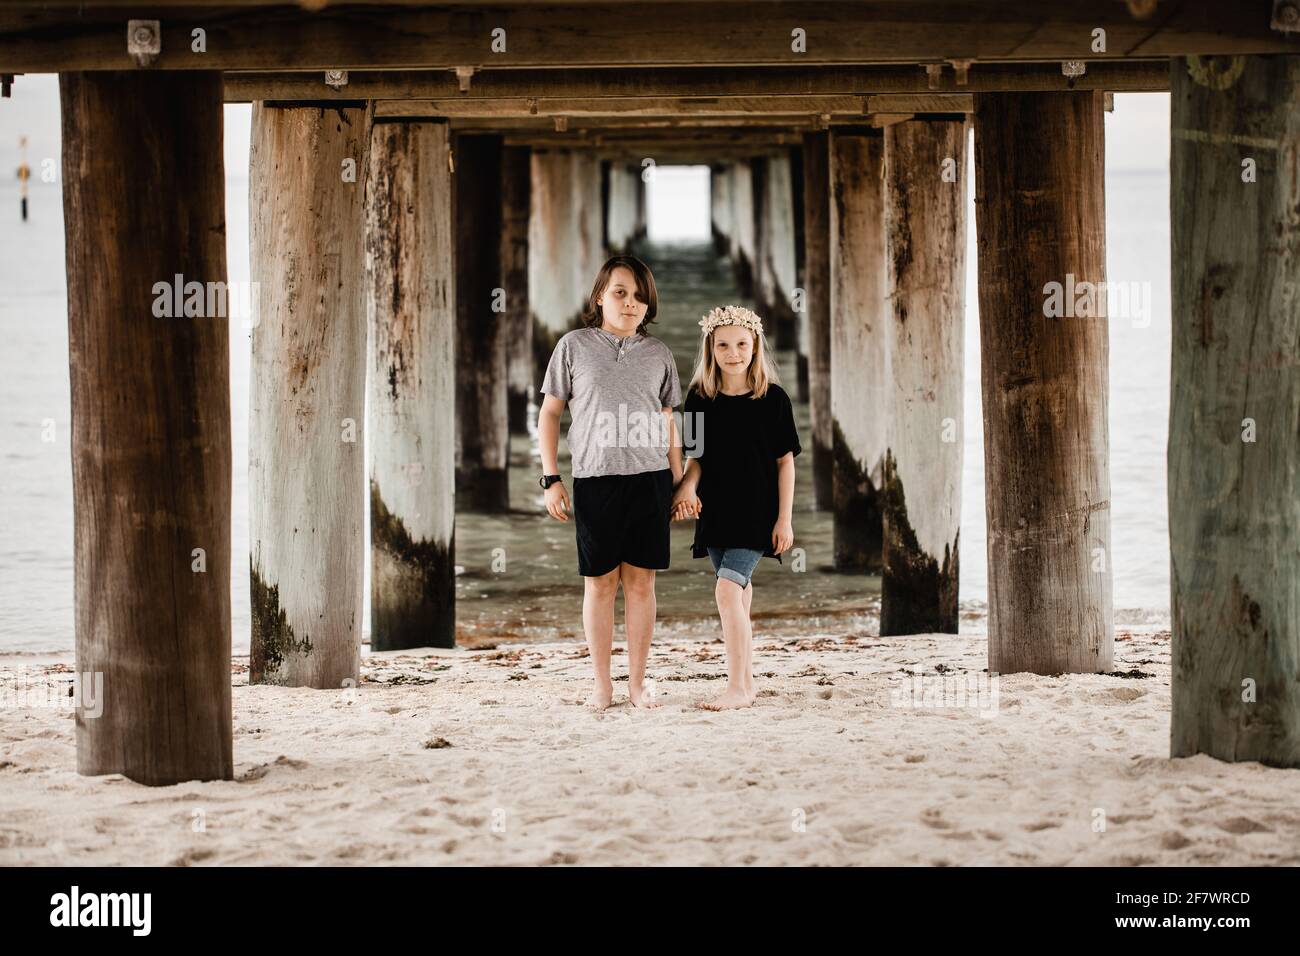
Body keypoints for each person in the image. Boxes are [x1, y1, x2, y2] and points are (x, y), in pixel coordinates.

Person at [537, 255, 683, 711]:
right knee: (599, 584)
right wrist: (551, 479)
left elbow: (669, 422)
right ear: (600, 295)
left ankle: (637, 683)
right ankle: (602, 684)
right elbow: (550, 414)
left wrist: (680, 484)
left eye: (640, 297)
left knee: (641, 584)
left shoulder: (659, 353)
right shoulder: (573, 347)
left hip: (650, 480)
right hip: (594, 480)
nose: (631, 303)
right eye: (620, 292)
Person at [672, 305, 800, 710]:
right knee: (739, 595)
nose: (733, 353)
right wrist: (686, 490)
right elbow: (695, 461)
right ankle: (746, 682)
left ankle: (736, 689)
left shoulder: (774, 399)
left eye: (742, 344)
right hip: (715, 513)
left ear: (755, 346)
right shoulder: (697, 400)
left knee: (726, 591)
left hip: (757, 514)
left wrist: (784, 518)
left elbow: (785, 463)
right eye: (723, 345)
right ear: (711, 348)